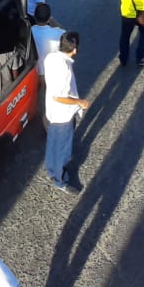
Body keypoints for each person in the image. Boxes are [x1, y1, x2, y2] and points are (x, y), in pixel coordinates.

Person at [43, 31, 89, 191]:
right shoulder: (65, 69)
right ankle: (60, 180)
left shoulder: (50, 57)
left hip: (51, 112)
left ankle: (50, 168)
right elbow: (59, 97)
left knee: (53, 140)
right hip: (63, 114)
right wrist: (80, 102)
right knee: (64, 150)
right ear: (74, 49)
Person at [30, 3, 63, 74]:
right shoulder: (58, 33)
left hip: (36, 71)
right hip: (52, 71)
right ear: (48, 19)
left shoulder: (30, 31)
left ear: (35, 17)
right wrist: (52, 19)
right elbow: (64, 32)